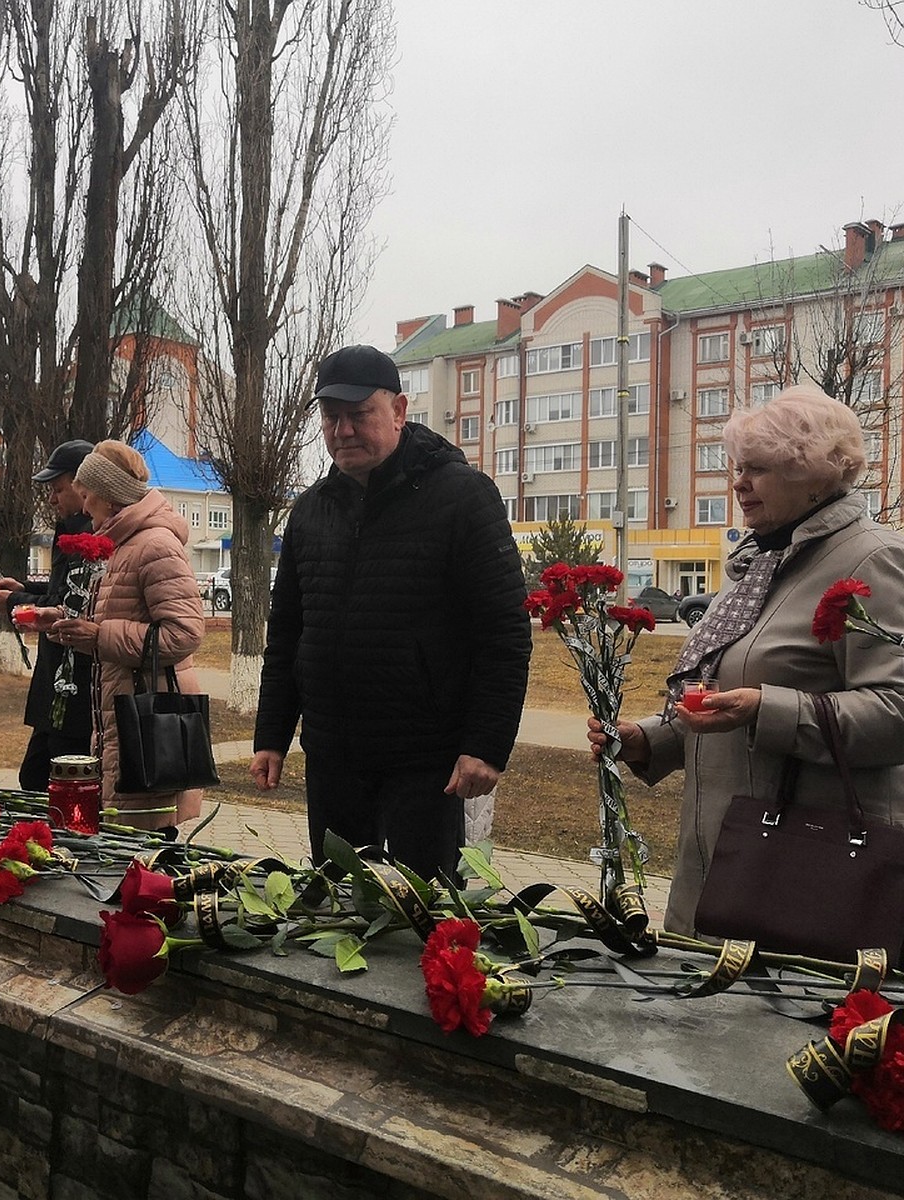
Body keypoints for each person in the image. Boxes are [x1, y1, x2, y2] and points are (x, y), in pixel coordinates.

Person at [588, 385, 904, 936]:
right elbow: (726, 692)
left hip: (805, 872)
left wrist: (766, 709)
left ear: (811, 473)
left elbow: (896, 712)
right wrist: (649, 739)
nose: (738, 483)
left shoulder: (874, 558)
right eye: (738, 467)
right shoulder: (762, 562)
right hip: (720, 859)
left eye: (757, 469)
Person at [250, 344, 532, 882]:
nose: (343, 431)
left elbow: (504, 634)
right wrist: (271, 735)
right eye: (331, 417)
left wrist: (486, 746)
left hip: (426, 761)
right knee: (338, 910)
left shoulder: (464, 498)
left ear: (399, 411)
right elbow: (287, 635)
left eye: (359, 415)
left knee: (419, 919)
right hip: (333, 754)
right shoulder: (311, 510)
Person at [50, 441, 206, 837]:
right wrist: (68, 622)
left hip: (150, 720)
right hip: (122, 713)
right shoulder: (122, 545)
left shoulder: (154, 544)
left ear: (109, 495)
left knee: (147, 841)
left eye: (86, 496)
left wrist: (100, 635)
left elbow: (185, 631)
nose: (83, 508)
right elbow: (117, 619)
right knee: (126, 837)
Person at [0, 439, 96, 791]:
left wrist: (15, 599)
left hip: (73, 687)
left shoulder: (89, 536)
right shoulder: (73, 530)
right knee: (35, 776)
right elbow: (62, 587)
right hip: (58, 687)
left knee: (49, 782)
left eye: (59, 489)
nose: (52, 499)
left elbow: (69, 603)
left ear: (83, 487)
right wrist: (24, 587)